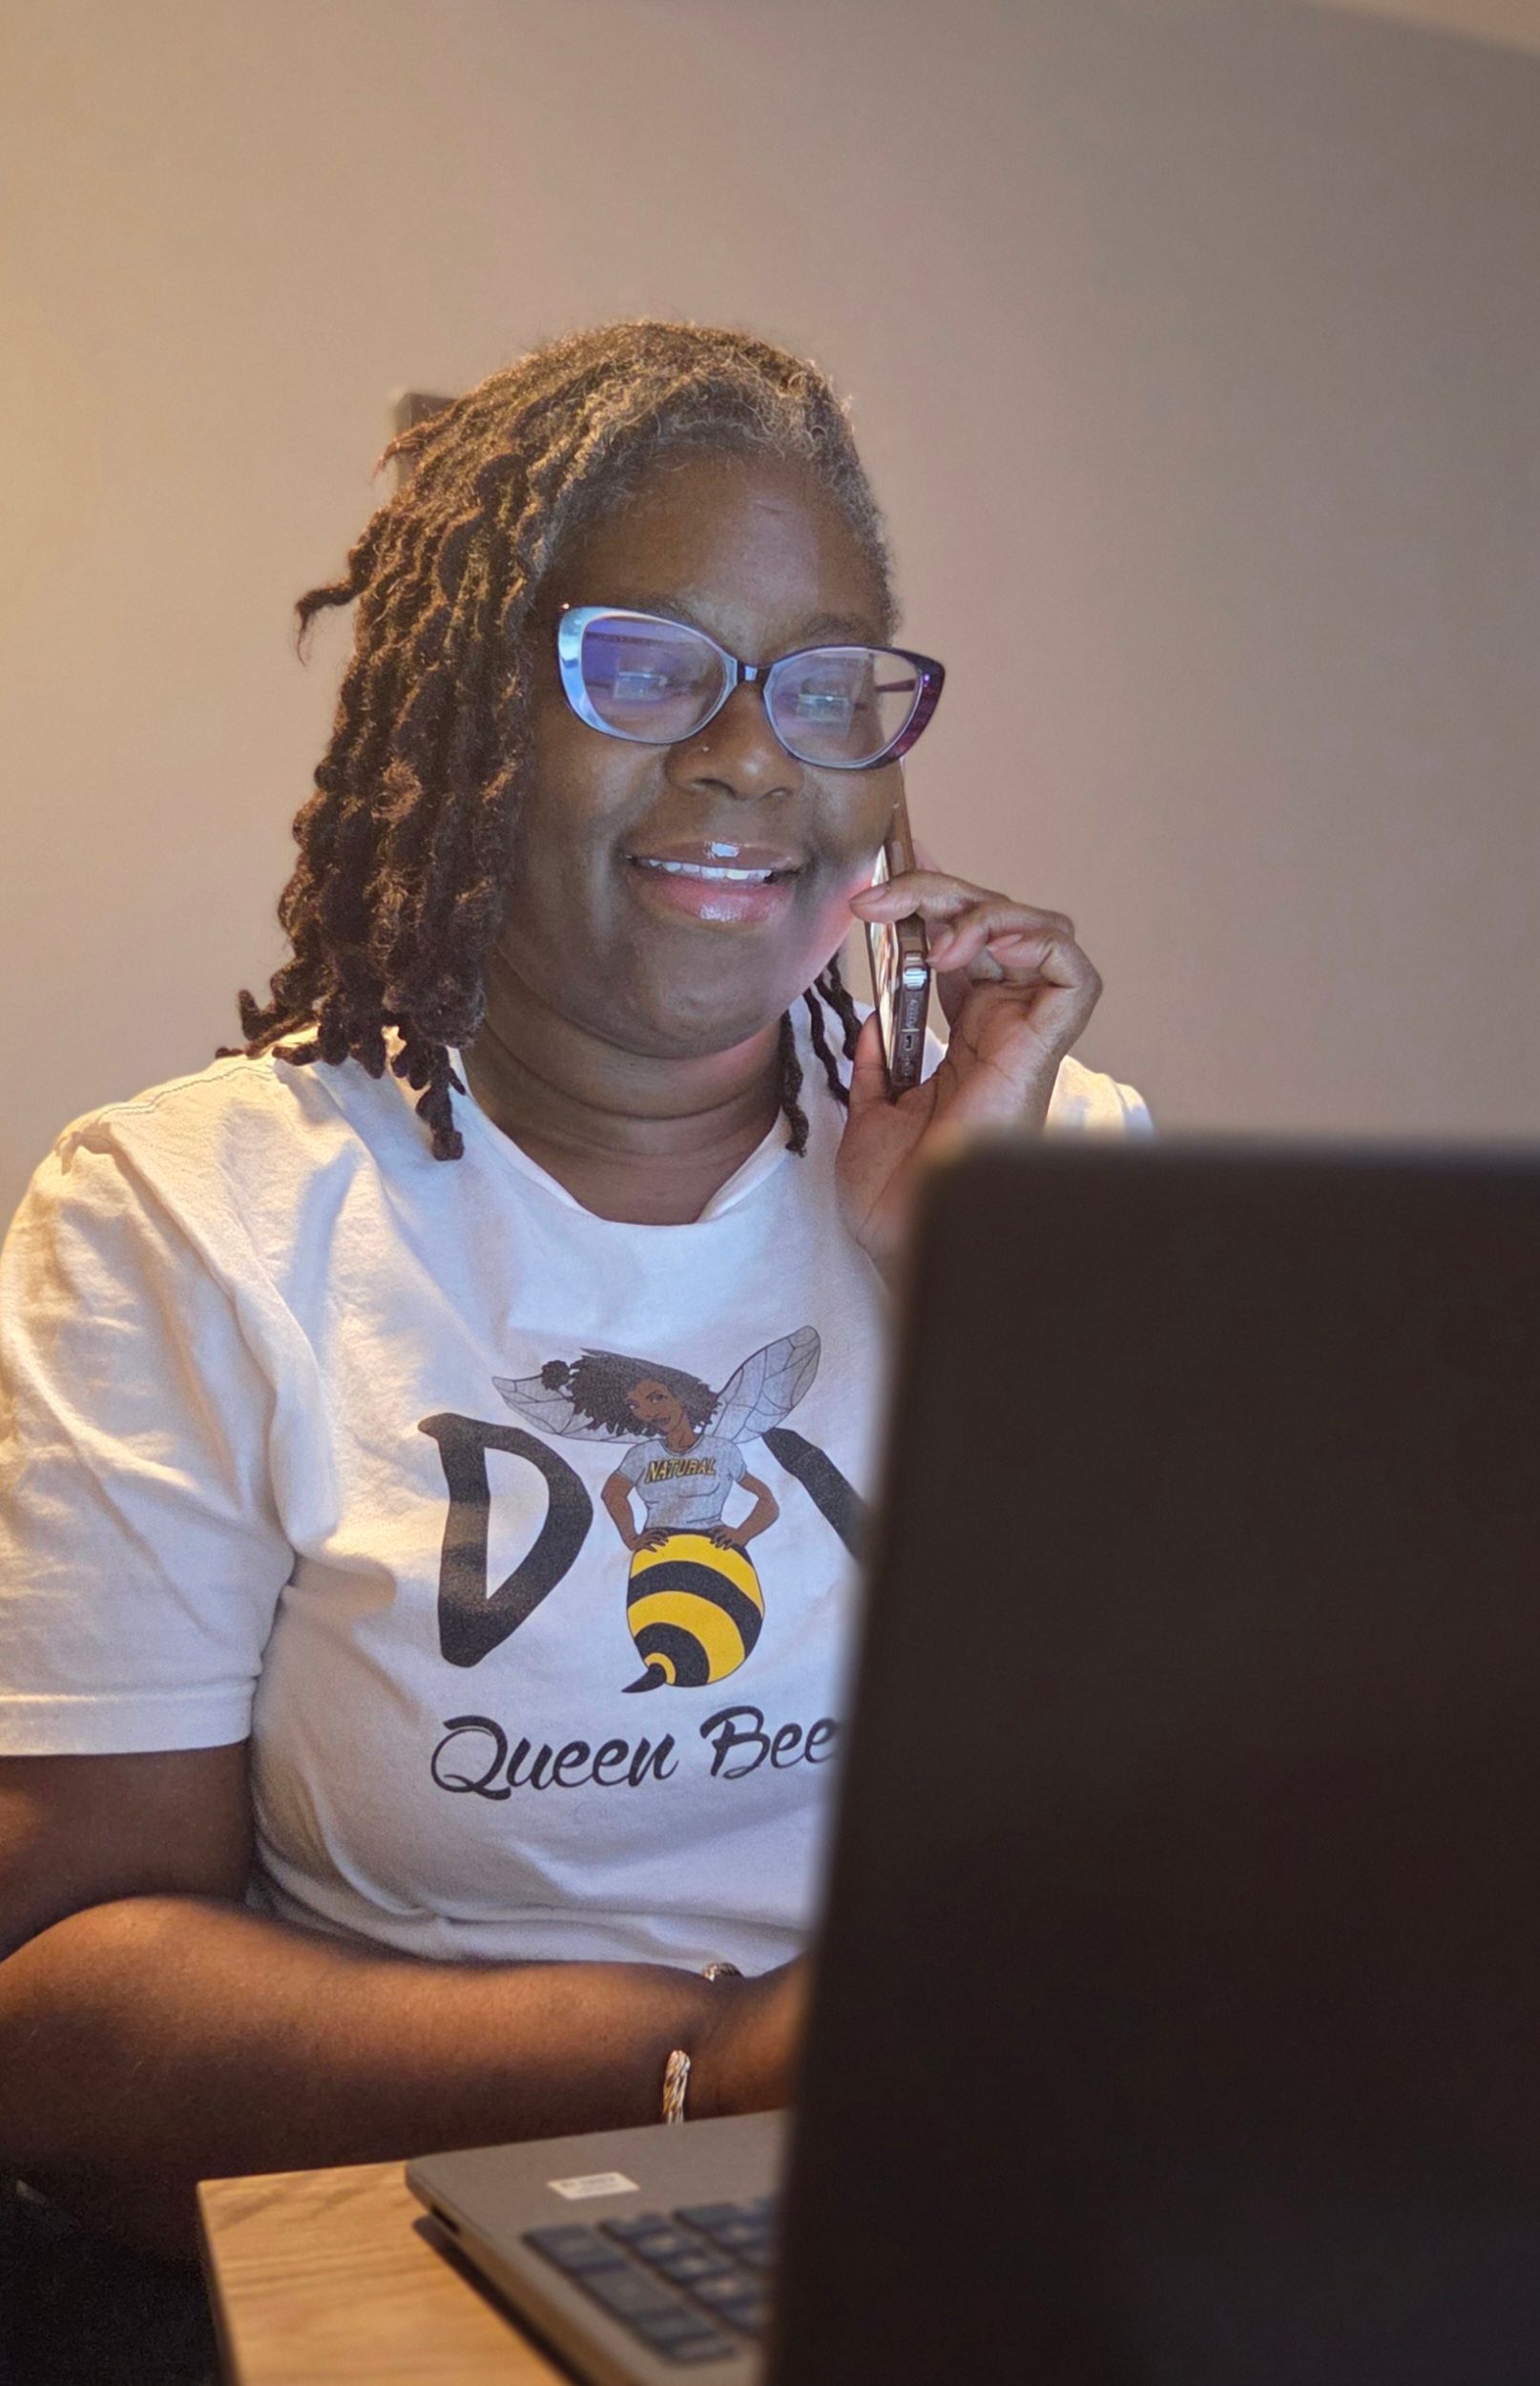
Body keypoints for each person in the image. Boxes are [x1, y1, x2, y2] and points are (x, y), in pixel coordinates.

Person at [0, 322, 1146, 2267]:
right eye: (645, 668)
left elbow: (1181, 1813)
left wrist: (975, 1298)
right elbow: (58, 1993)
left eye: (821, 688)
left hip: (995, 2193)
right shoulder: (194, 1214)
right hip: (444, 2230)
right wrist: (712, 2068)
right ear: (467, 723)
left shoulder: (1043, 1149)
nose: (745, 756)